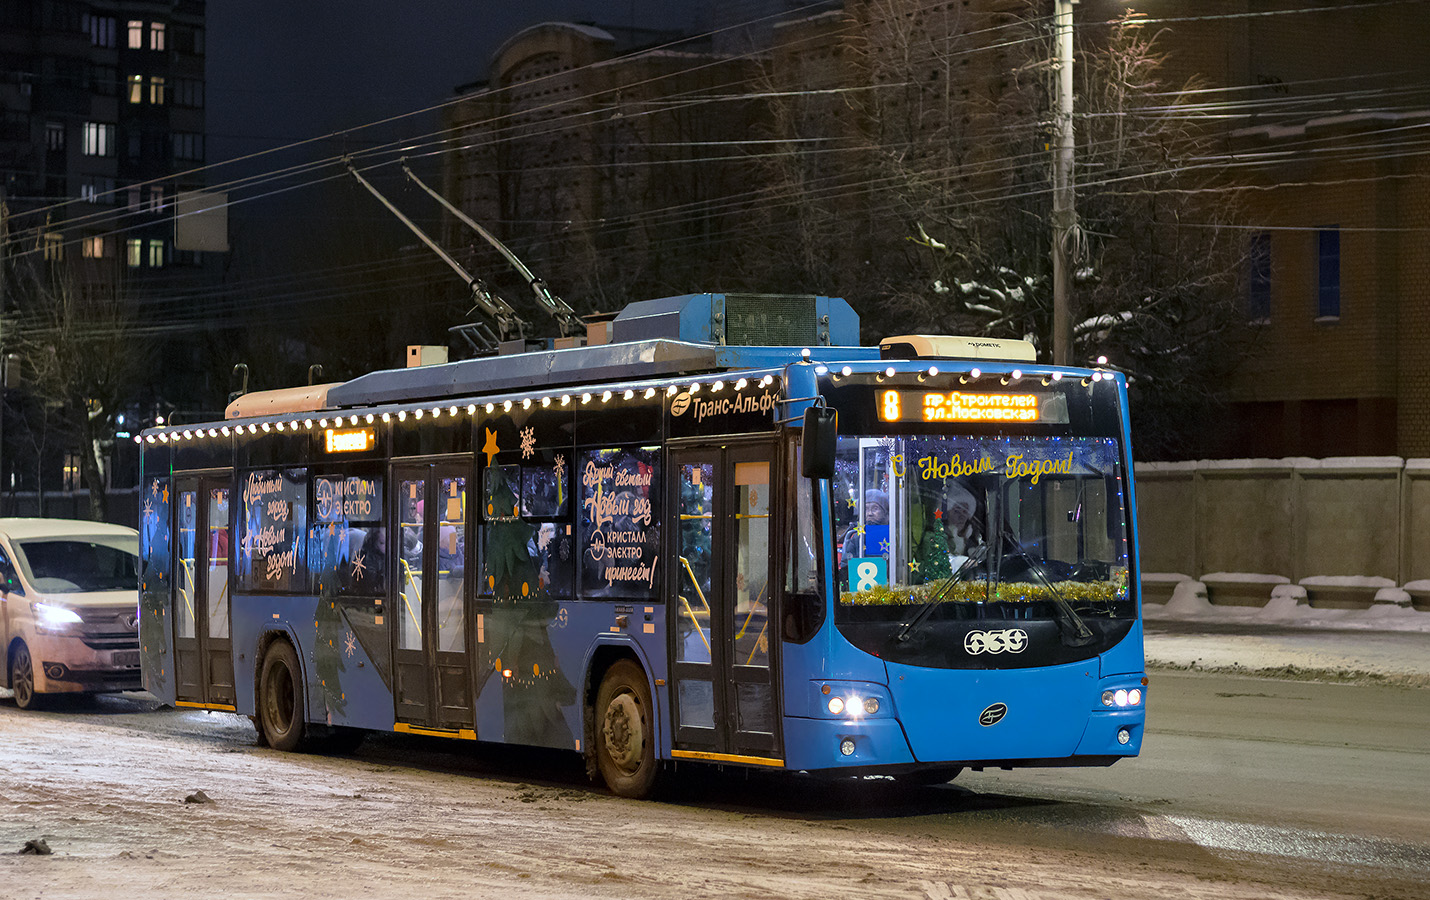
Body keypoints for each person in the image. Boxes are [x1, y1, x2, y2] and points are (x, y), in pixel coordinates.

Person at [841, 488, 889, 563]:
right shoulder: (858, 537)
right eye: (866, 509)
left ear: (885, 512)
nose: (870, 513)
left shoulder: (893, 534)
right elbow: (847, 565)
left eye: (875, 508)